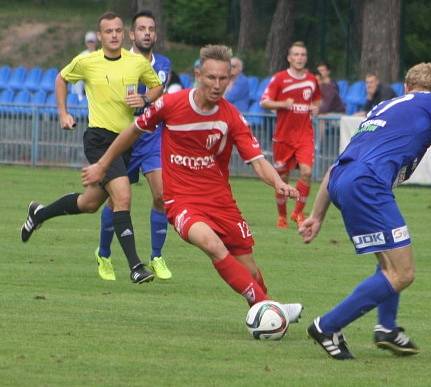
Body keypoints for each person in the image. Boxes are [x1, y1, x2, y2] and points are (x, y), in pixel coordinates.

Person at [82, 44, 304, 320]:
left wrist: (278, 184)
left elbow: (257, 160)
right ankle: (271, 310)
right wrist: (102, 164)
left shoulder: (231, 116)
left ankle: (268, 307)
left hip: (221, 202)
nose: (217, 84)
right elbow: (133, 131)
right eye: (211, 77)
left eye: (224, 78)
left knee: (248, 266)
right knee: (211, 244)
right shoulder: (171, 104)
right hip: (182, 201)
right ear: (198, 74)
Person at [299, 63, 431, 360]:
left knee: (390, 259)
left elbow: (339, 163)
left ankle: (386, 329)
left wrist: (317, 215)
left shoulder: (382, 108)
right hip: (368, 185)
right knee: (403, 273)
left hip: (341, 180)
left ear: (406, 86)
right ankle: (327, 326)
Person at [20, 11, 163, 284]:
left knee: (89, 203)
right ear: (100, 36)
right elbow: (61, 79)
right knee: (122, 197)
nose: (114, 35)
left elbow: (158, 87)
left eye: (118, 31)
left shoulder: (136, 62)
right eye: (108, 31)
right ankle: (135, 266)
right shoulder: (87, 61)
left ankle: (39, 213)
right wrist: (63, 113)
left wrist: (144, 98)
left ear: (124, 34)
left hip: (126, 141)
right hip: (99, 138)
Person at [95, 10, 172, 281]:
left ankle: (157, 256)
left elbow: (159, 93)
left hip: (152, 139)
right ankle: (104, 254)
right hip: (124, 138)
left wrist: (147, 99)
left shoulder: (163, 63)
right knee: (114, 202)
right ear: (132, 34)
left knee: (162, 196)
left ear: (155, 33)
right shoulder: (118, 61)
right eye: (141, 28)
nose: (147, 33)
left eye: (151, 28)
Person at [260, 41, 321, 229]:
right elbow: (264, 102)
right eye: (296, 54)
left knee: (307, 172)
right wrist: (281, 104)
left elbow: (317, 100)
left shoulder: (312, 80)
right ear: (289, 58)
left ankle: (297, 213)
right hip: (283, 138)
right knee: (283, 179)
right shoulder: (279, 79)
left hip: (304, 136)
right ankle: (282, 216)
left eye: (303, 55)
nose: (299, 58)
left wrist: (315, 108)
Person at [71, 31, 98, 101]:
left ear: (95, 42)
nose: (90, 44)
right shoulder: (82, 55)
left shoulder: (99, 55)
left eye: (92, 41)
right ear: (86, 43)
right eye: (89, 42)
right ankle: (79, 97)